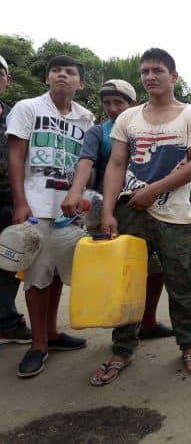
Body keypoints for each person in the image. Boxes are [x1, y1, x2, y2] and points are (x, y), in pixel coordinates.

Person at [90, 48, 191, 386]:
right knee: (126, 282)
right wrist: (109, 211)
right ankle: (122, 348)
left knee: (181, 283)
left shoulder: (190, 116)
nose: (150, 76)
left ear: (173, 76)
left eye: (157, 70)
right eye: (145, 71)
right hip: (130, 213)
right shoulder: (128, 118)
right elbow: (115, 165)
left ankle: (189, 345)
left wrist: (152, 190)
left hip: (174, 216)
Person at [60, 79, 174, 340]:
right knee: (121, 271)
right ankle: (123, 329)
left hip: (150, 209)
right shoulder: (98, 133)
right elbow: (86, 163)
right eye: (107, 103)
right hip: (111, 211)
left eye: (118, 102)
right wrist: (76, 191)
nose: (112, 108)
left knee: (155, 270)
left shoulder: (147, 130)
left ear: (132, 103)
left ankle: (148, 322)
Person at [6, 55, 92, 377]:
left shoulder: (86, 118)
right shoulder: (28, 108)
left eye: (70, 72)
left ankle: (53, 334)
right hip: (36, 208)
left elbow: (85, 164)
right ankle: (38, 344)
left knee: (55, 274)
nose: (62, 76)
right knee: (36, 277)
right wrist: (20, 203)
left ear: (80, 83)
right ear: (47, 78)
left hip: (68, 212)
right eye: (56, 71)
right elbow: (15, 157)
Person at [0, 55, 32, 345]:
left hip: (11, 201)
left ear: (7, 81)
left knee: (9, 264)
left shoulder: (15, 117)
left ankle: (7, 322)